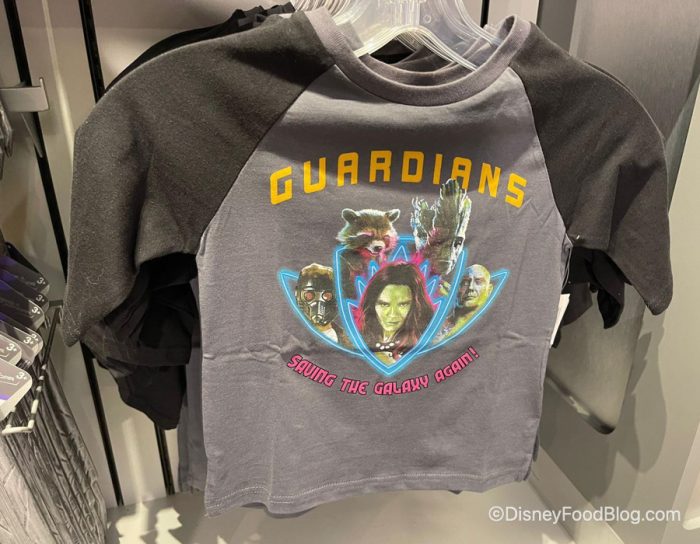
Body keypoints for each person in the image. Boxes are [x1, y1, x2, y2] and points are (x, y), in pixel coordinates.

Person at [356, 262, 434, 364]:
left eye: (402, 305)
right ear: (372, 304)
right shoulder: (358, 338)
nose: (393, 314)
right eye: (384, 304)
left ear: (416, 305)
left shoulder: (426, 343)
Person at [440, 264, 493, 340]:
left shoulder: (489, 328)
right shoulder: (437, 324)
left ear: (489, 290)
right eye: (465, 282)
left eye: (478, 282)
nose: (470, 287)